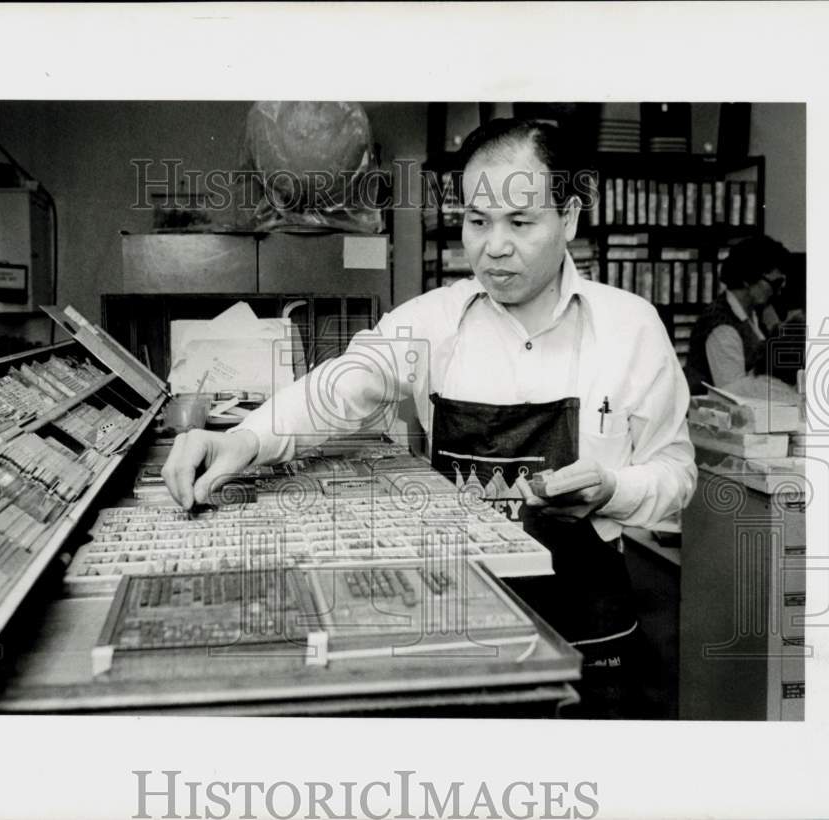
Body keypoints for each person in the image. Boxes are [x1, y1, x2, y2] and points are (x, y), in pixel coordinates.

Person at [162, 118, 697, 717]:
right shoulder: (431, 322)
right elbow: (340, 388)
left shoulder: (632, 328)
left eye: (520, 222)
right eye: (476, 220)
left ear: (568, 217)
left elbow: (676, 476)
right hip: (457, 613)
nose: (495, 246)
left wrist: (614, 487)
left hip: (590, 628)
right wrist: (244, 438)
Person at [684, 235, 792, 394]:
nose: (779, 291)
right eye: (774, 284)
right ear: (749, 278)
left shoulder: (758, 314)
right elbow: (733, 394)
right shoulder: (721, 326)